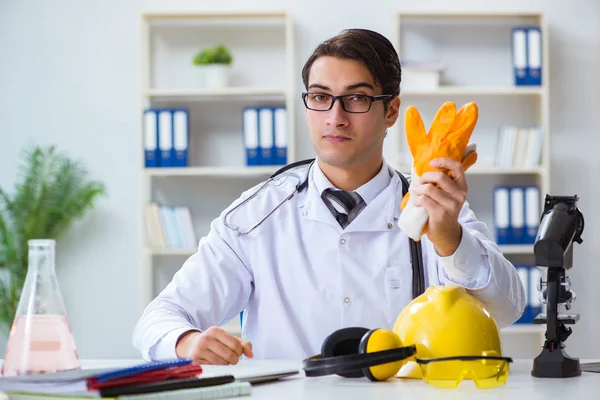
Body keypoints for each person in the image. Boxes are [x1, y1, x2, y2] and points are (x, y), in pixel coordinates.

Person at [132, 28, 525, 365]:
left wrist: (448, 239)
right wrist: (188, 342)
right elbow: (159, 318)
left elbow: (508, 308)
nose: (334, 117)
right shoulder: (257, 214)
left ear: (391, 111)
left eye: (355, 99)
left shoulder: (435, 205)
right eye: (320, 97)